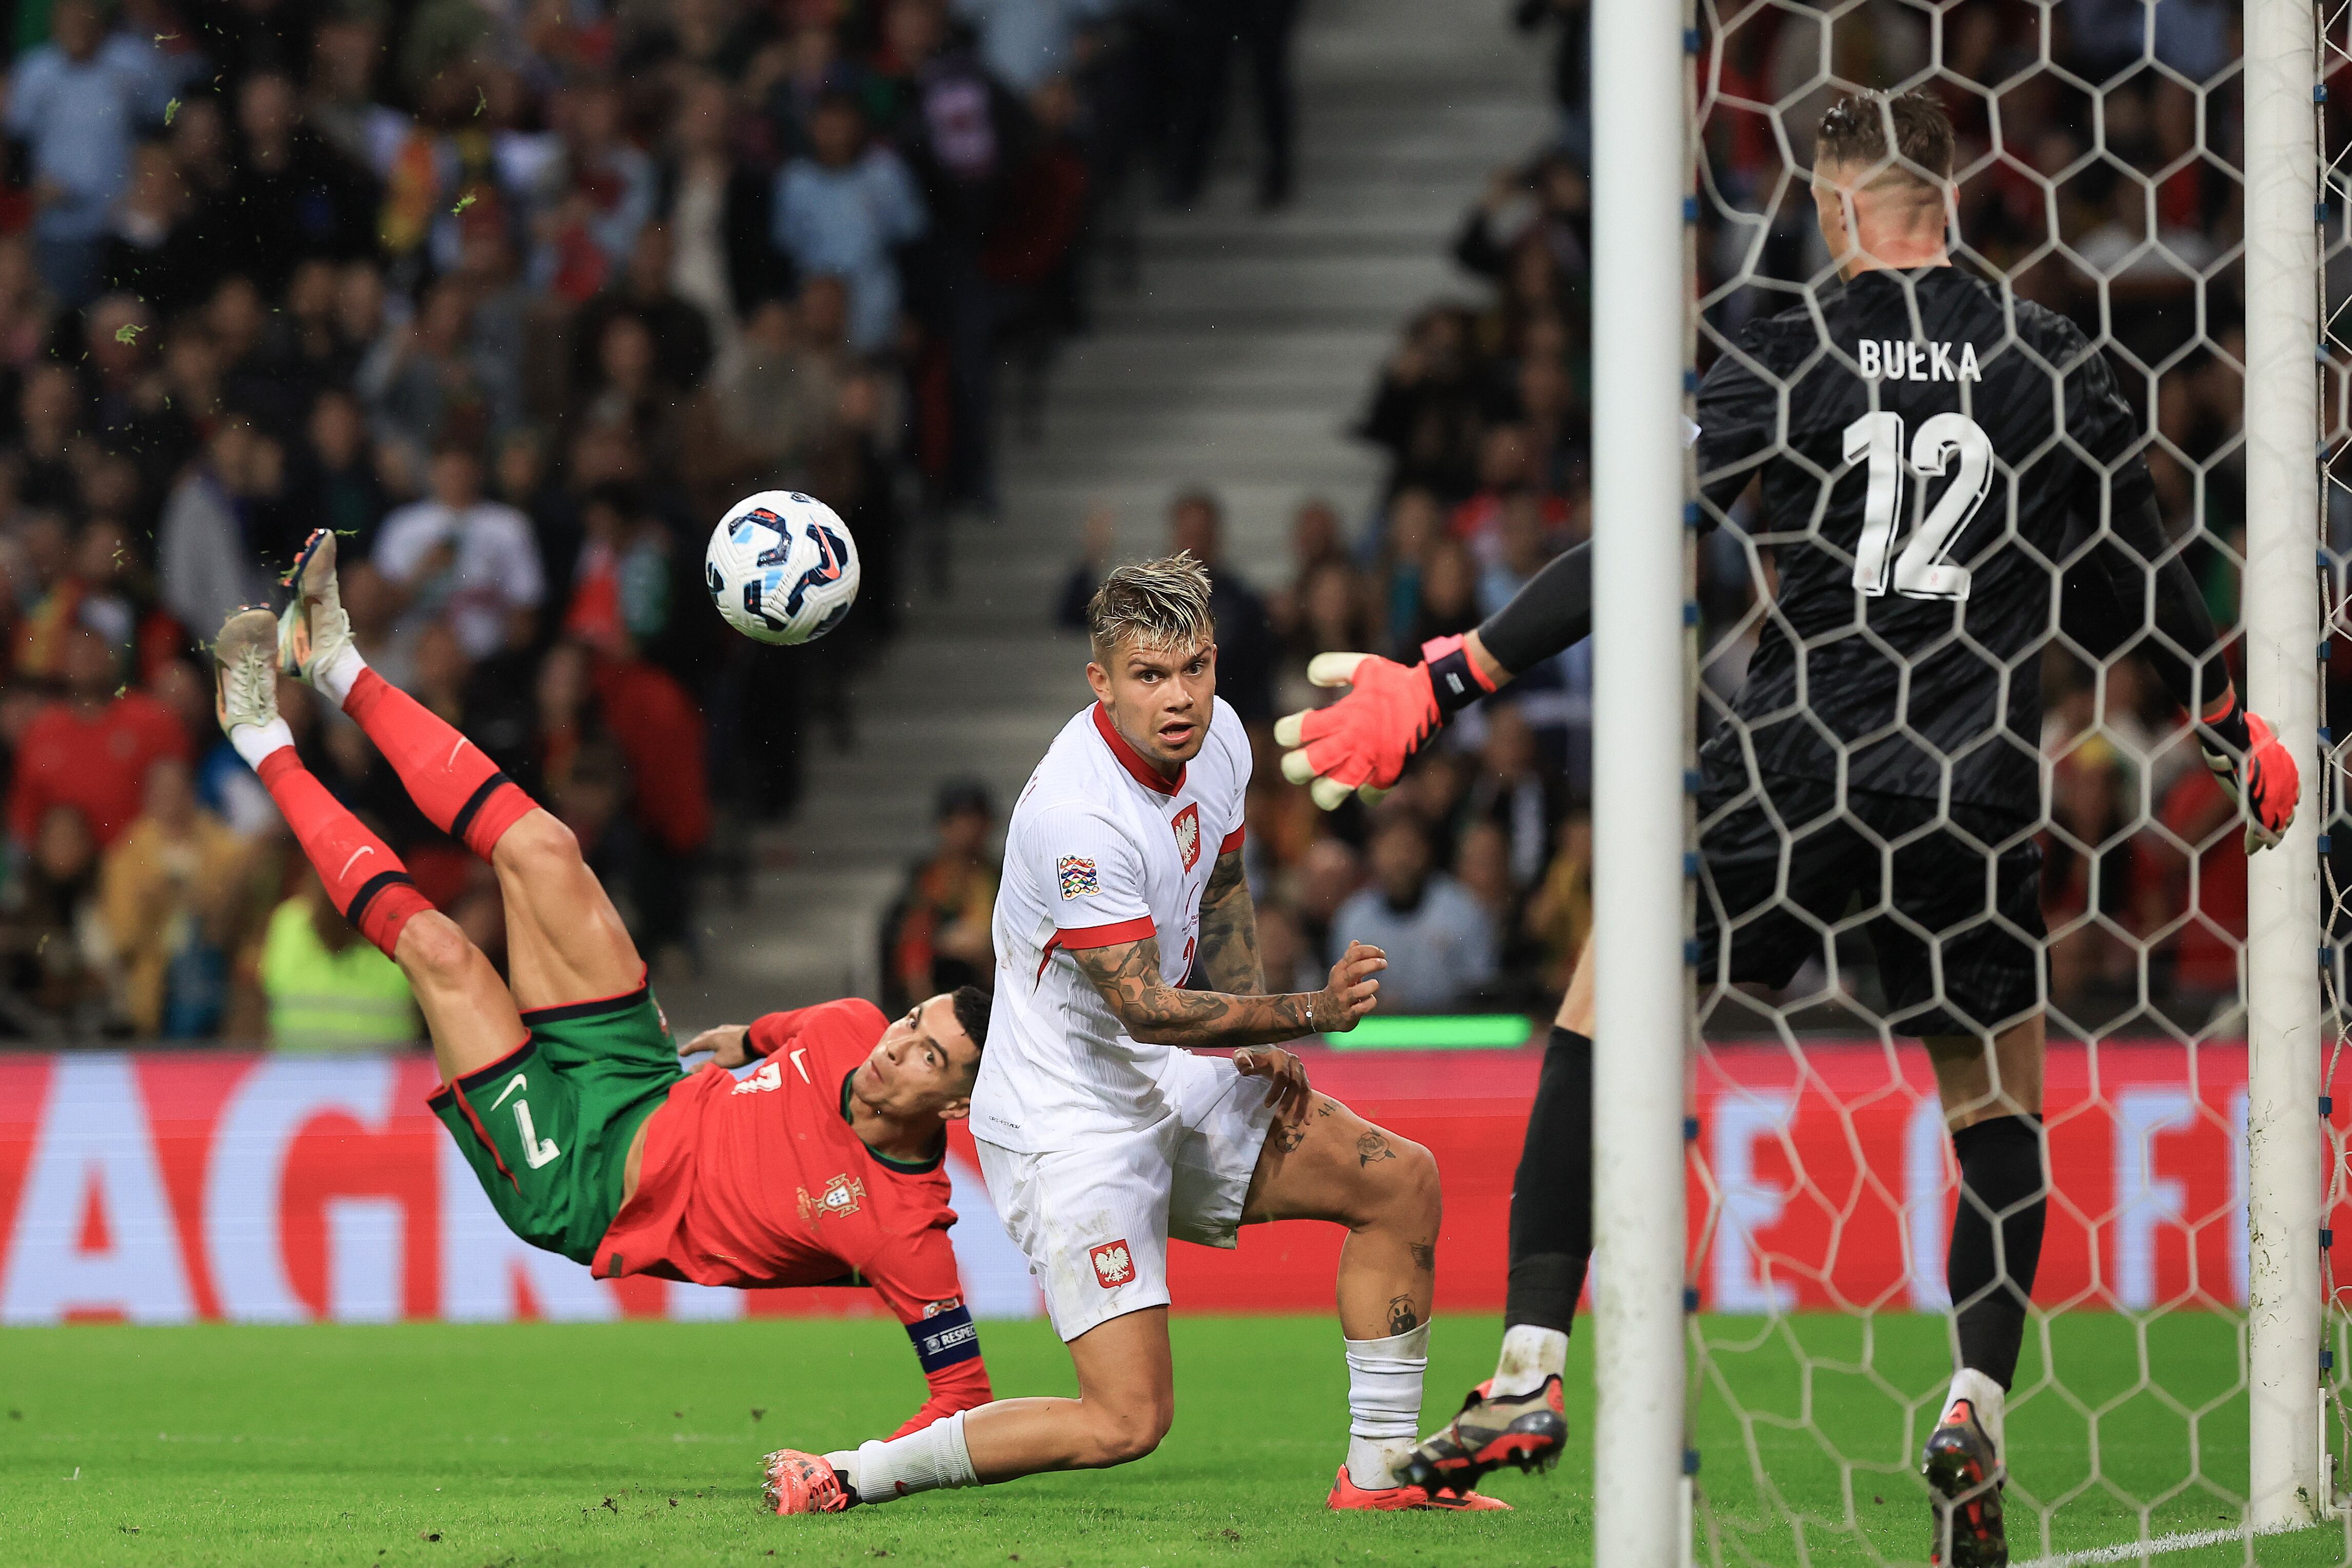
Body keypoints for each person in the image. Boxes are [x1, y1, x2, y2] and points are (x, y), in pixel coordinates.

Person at [1273, 90, 2301, 1562]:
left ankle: (1528, 1369)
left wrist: (1454, 673)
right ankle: (1969, 1409)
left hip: (1790, 765)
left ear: (1830, 209)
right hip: (1966, 790)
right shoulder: (2051, 356)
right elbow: (2131, 575)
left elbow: (1647, 534)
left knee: (1605, 1002)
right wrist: (2222, 718)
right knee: (1993, 1108)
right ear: (1951, 194)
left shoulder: (1790, 339)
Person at [211, 528, 997, 1437]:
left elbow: (963, 1399)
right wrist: (746, 1039)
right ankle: (335, 661)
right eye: (913, 1020)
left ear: (954, 1107)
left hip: (583, 1187)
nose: (898, 1044)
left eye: (928, 1056)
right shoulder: (853, 1024)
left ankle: (260, 735)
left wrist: (851, 1476)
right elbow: (786, 1033)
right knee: (544, 848)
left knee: (442, 952)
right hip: (638, 1077)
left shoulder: (905, 1233)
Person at [761, 553, 1496, 1516]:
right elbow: (1142, 1004)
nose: (1179, 697)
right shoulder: (1076, 816)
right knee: (1126, 1422)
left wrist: (1249, 1036)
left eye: (1195, 668)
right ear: (1100, 681)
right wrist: (1306, 1012)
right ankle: (848, 1472)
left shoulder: (1220, 741)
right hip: (1065, 1126)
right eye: (1149, 676)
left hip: (1161, 1078)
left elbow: (1222, 886)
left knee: (1400, 1181)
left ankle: (1383, 1476)